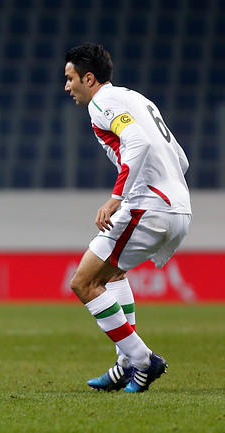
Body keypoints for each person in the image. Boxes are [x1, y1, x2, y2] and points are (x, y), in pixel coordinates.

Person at [63, 44, 191, 393]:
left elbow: (138, 143)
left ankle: (142, 360)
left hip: (150, 207)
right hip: (177, 206)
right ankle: (125, 365)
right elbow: (180, 159)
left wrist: (118, 197)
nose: (67, 86)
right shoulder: (138, 99)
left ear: (89, 78)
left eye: (70, 78)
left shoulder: (102, 104)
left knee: (83, 282)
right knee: (113, 272)